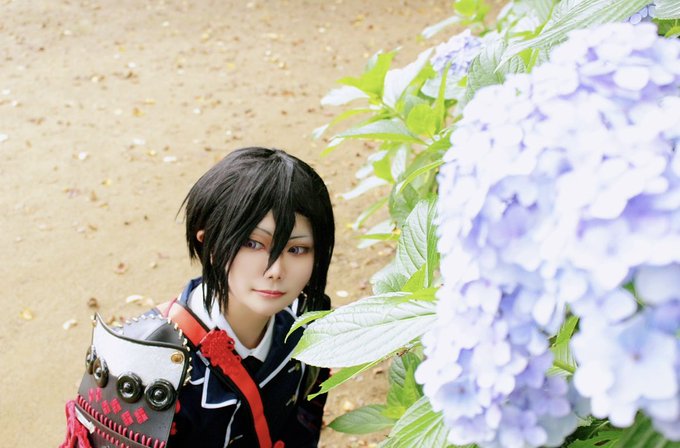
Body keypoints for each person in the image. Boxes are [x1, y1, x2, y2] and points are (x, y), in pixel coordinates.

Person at [62, 147, 335, 448]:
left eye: (297, 249)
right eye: (252, 243)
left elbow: (305, 421)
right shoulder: (140, 363)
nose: (276, 270)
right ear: (210, 244)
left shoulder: (308, 321)